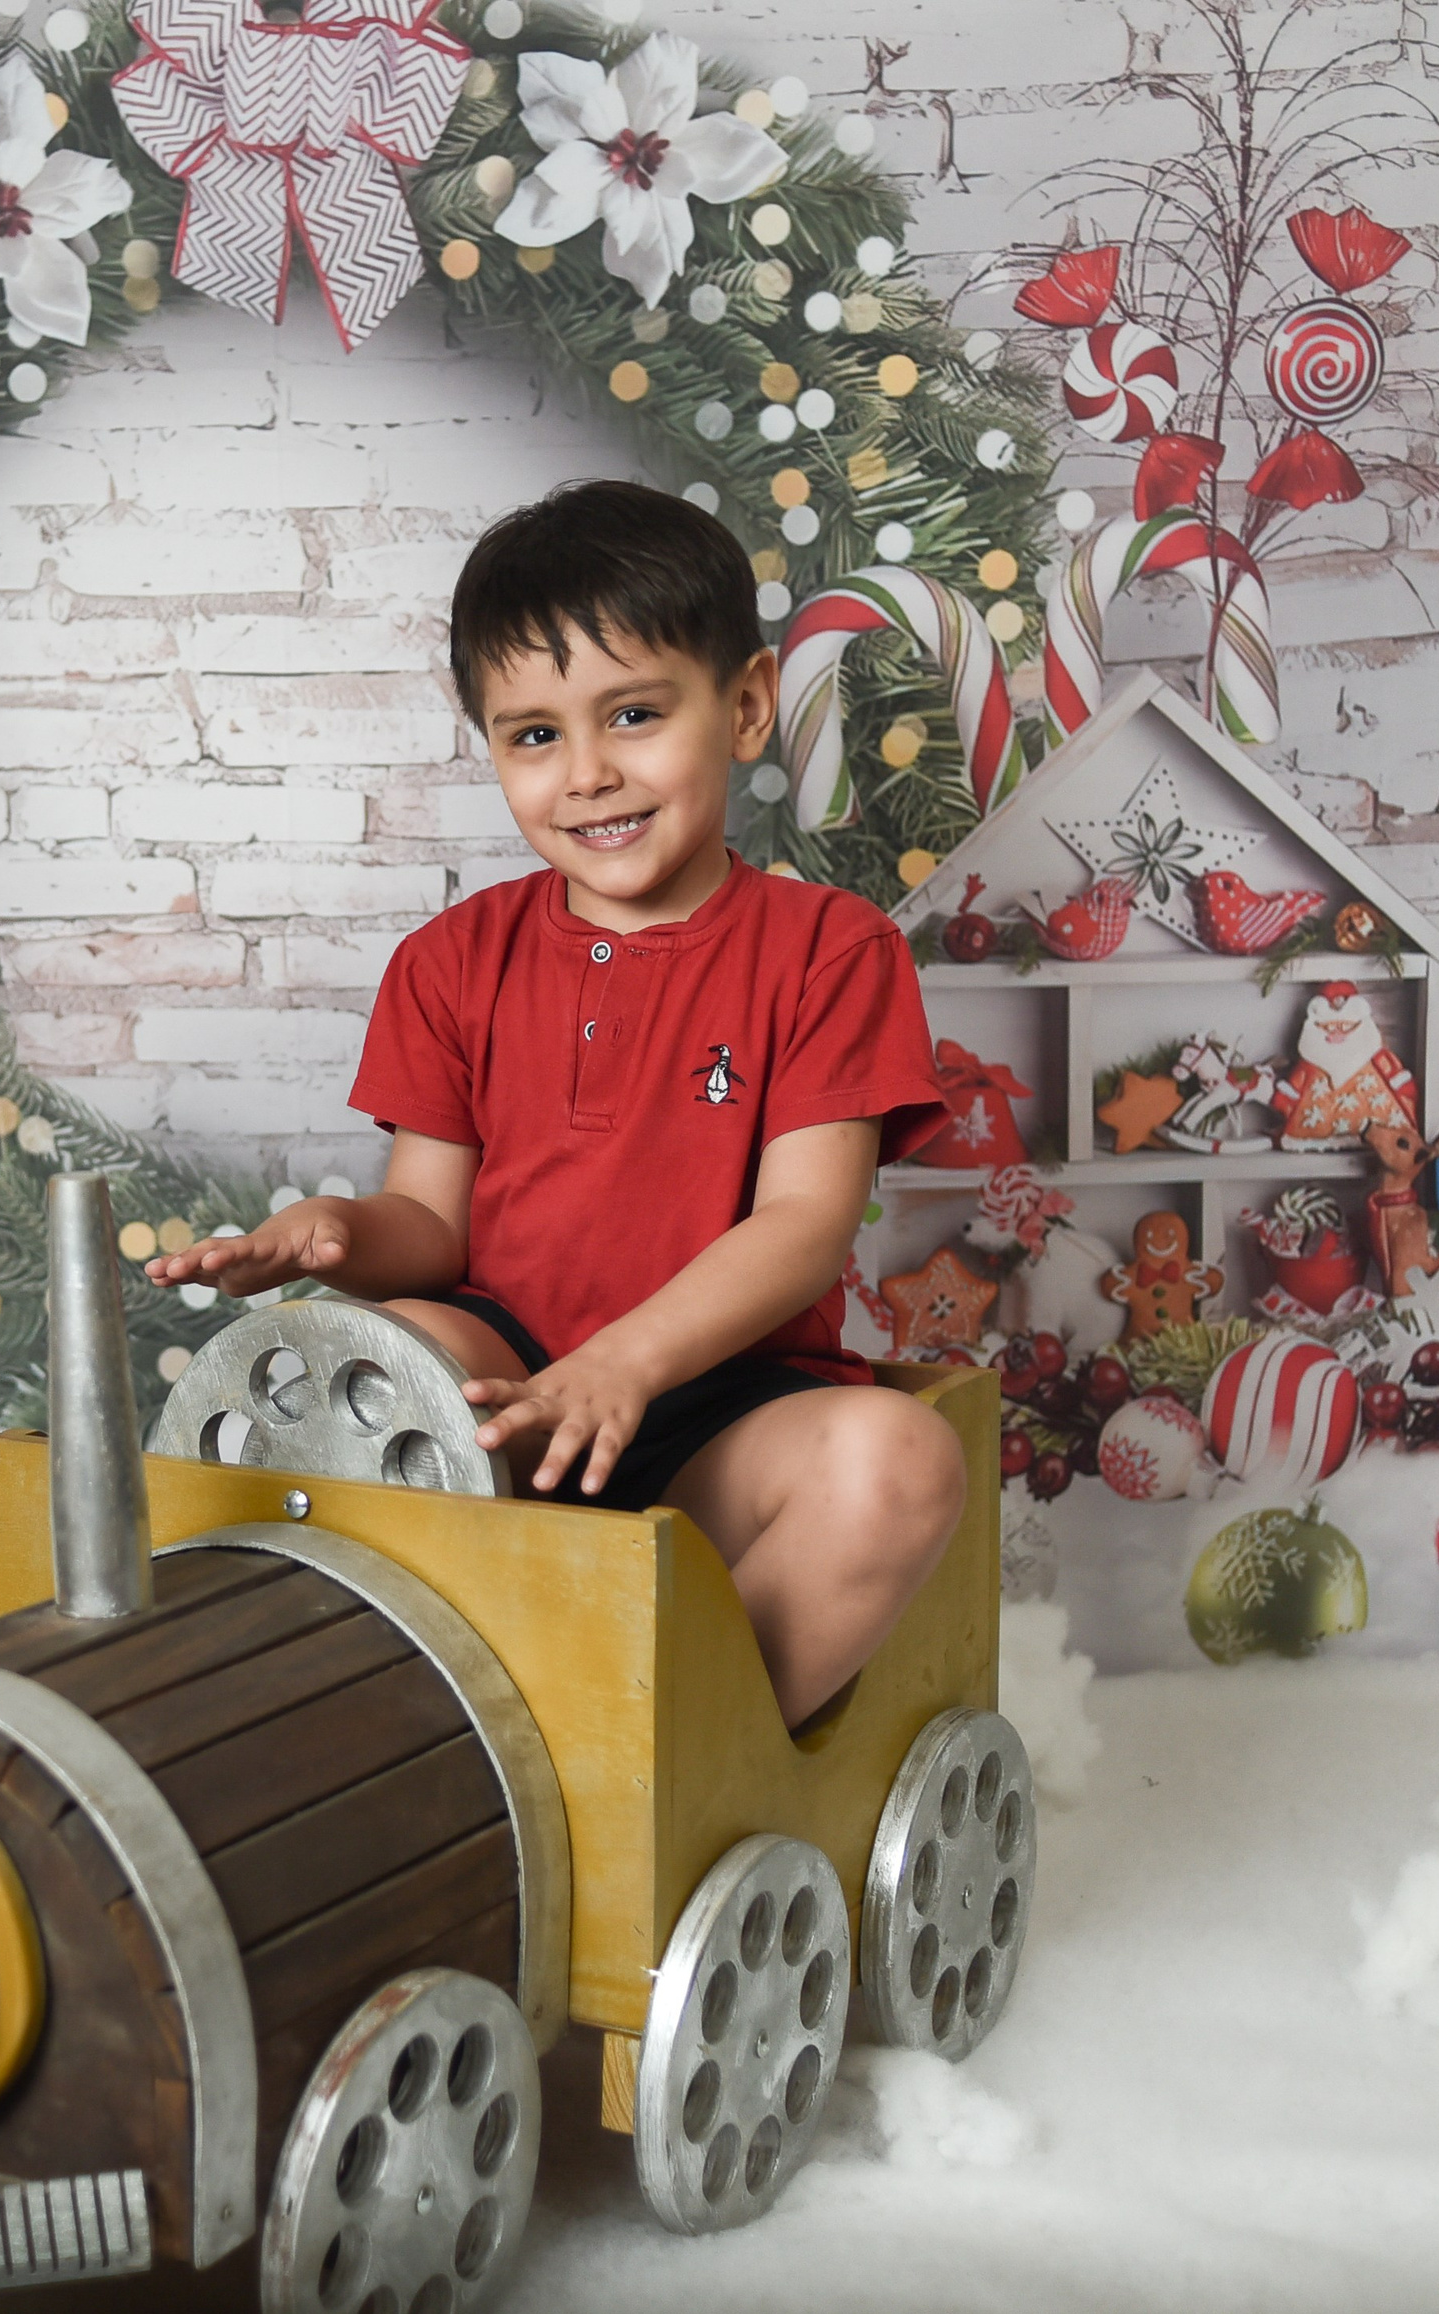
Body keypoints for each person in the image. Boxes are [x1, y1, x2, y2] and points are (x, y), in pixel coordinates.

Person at [147, 479, 961, 1727]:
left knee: (900, 1462)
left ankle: (679, 1758)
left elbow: (805, 1227)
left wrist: (628, 1364)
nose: (585, 774)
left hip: (720, 1411)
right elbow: (433, 1226)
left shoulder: (825, 948)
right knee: (396, 1355)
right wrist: (337, 1237)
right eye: (532, 735)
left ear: (743, 707)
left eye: (632, 715)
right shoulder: (451, 962)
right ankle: (414, 1724)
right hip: (508, 1390)